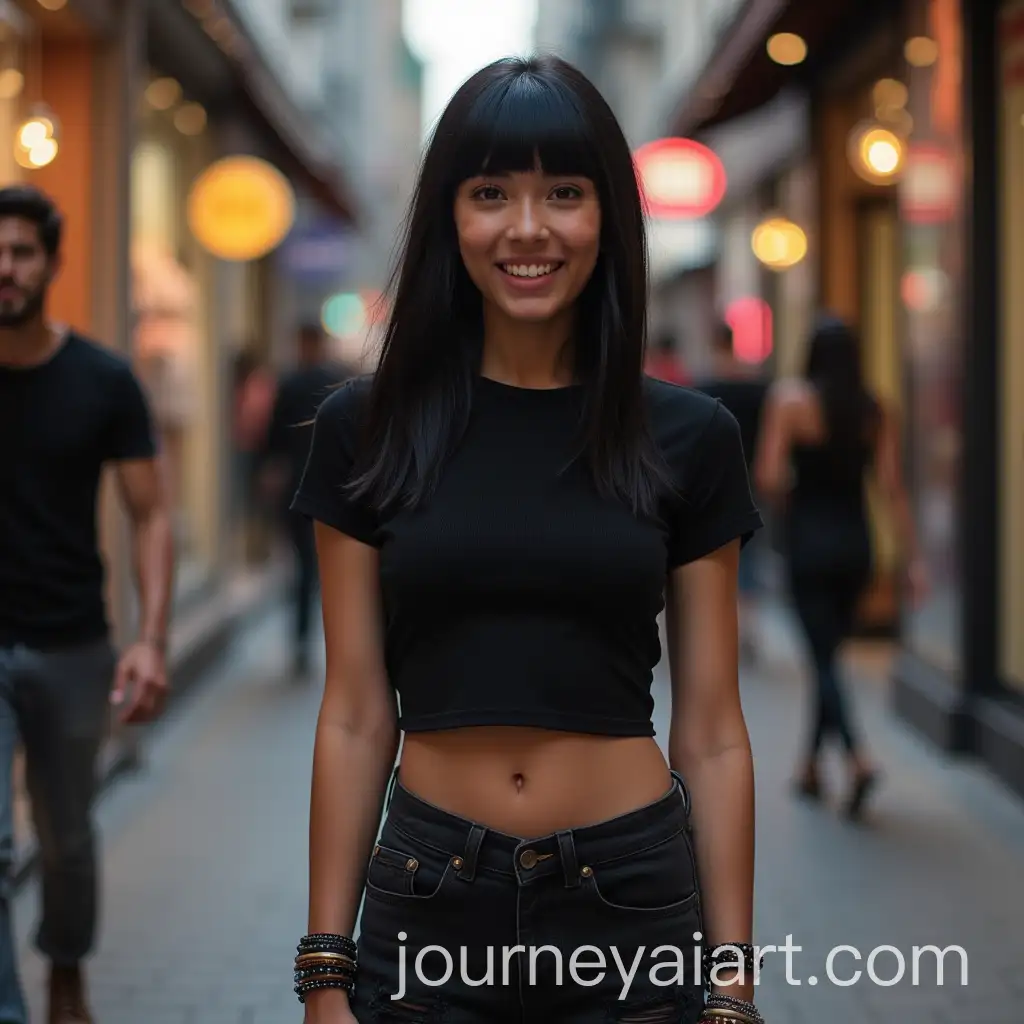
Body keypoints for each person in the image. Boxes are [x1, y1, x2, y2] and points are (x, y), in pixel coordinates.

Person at [290, 57, 766, 1024]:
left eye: (564, 192)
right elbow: (352, 713)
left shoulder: (690, 438)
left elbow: (712, 732)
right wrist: (325, 970)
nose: (528, 227)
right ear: (448, 220)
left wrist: (731, 977)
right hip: (427, 897)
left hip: (630, 896)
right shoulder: (364, 429)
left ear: (608, 219)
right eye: (490, 193)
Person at [0, 186, 173, 1023]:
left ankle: (66, 967)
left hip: (72, 642)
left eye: (22, 251)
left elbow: (152, 513)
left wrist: (152, 639)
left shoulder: (102, 380)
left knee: (66, 840)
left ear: (52, 264)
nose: (5, 267)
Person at [754, 314, 927, 819]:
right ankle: (810, 766)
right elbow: (892, 488)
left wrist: (793, 491)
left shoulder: (790, 401)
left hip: (808, 544)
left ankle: (857, 757)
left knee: (823, 659)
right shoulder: (875, 409)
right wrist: (912, 560)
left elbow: (767, 475)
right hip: (857, 545)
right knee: (826, 655)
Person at [263, 325, 352, 677]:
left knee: (305, 568)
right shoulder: (335, 382)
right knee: (323, 568)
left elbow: (274, 439)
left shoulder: (293, 383)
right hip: (330, 487)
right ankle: (327, 643)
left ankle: (304, 640)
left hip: (300, 486)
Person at [696, 321, 770, 662]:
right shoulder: (757, 388)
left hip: (709, 481)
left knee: (712, 553)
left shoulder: (703, 387)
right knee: (751, 558)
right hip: (750, 478)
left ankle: (718, 629)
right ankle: (749, 631)